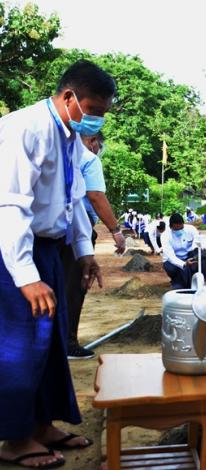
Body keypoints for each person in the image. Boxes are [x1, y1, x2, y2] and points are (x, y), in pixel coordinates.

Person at [0, 59, 114, 467]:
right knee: (21, 344)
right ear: (69, 97)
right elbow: (10, 205)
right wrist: (25, 276)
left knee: (50, 342)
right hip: (15, 250)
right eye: (93, 110)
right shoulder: (25, 129)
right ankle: (14, 438)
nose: (96, 121)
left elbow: (74, 197)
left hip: (49, 249)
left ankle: (41, 425)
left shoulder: (69, 137)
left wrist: (85, 253)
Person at [60, 133, 126, 360]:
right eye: (99, 145)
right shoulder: (89, 159)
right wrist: (115, 230)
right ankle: (68, 342)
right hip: (77, 227)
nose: (99, 150)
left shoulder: (61, 153)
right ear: (92, 141)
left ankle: (52, 341)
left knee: (57, 283)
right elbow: (96, 196)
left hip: (54, 227)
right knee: (74, 285)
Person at [160, 213, 206, 290]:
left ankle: (200, 279)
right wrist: (184, 264)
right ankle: (178, 282)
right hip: (173, 259)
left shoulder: (191, 229)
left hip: (189, 255)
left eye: (181, 228)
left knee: (203, 254)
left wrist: (199, 251)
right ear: (170, 227)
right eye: (176, 229)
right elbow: (170, 256)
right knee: (174, 269)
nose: (179, 230)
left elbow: (196, 243)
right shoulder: (165, 236)